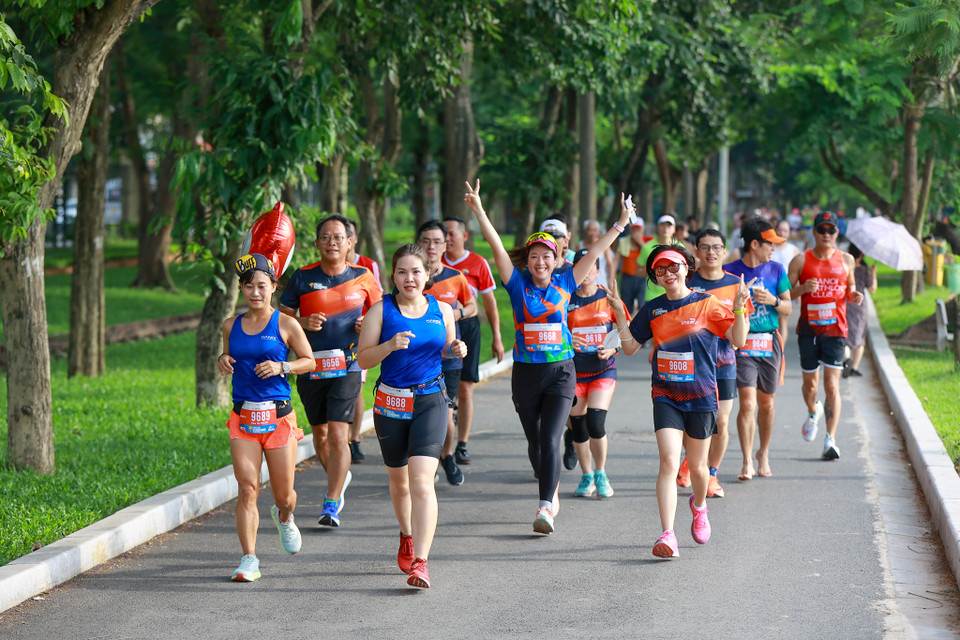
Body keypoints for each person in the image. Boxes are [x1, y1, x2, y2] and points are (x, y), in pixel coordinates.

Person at [463, 179, 631, 534]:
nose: (541, 261)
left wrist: (620, 222)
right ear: (529, 259)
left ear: (557, 260)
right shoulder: (516, 283)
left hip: (561, 373)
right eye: (535, 255)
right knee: (537, 441)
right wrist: (478, 210)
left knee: (553, 437)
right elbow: (495, 245)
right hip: (526, 374)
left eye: (547, 256)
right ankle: (549, 489)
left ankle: (545, 509)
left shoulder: (566, 282)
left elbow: (595, 252)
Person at [611, 245, 749, 558]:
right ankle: (668, 534)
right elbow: (631, 347)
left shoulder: (706, 303)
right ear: (655, 277)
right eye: (660, 270)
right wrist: (621, 315)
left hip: (701, 396)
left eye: (674, 267)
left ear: (687, 267)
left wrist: (739, 310)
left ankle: (699, 507)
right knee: (670, 462)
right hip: (666, 394)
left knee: (699, 469)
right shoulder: (654, 309)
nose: (668, 273)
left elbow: (738, 340)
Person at [357, 244, 467, 589]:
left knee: (421, 481)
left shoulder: (442, 310)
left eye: (416, 271)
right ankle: (406, 534)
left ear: (428, 274)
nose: (409, 278)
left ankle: (421, 561)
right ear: (393, 276)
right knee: (399, 481)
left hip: (430, 399)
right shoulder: (381, 310)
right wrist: (388, 346)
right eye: (402, 272)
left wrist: (456, 348)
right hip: (390, 403)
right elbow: (362, 360)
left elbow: (448, 346)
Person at [218, 253, 316, 582]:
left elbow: (309, 361)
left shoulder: (286, 324)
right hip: (243, 417)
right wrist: (223, 359)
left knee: (283, 495)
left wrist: (282, 366)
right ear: (241, 289)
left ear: (274, 287)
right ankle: (249, 559)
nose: (255, 292)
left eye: (262, 285)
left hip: (278, 419)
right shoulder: (230, 325)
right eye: (248, 286)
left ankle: (285, 517)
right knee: (247, 488)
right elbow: (229, 354)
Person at [279, 214, 381, 527]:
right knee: (320, 437)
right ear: (317, 243)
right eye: (326, 237)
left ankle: (332, 501)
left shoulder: (363, 276)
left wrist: (368, 325)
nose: (332, 243)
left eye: (339, 237)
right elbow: (281, 323)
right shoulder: (302, 277)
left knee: (339, 435)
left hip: (348, 364)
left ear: (351, 242)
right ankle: (340, 475)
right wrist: (302, 324)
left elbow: (383, 315)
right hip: (311, 365)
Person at [683, 230, 754, 498]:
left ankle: (711, 474)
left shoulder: (736, 284)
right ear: (697, 253)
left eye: (716, 248)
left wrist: (740, 337)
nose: (711, 252)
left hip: (724, 362)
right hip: (692, 365)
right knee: (692, 424)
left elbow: (743, 321)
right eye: (705, 248)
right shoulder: (687, 283)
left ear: (724, 252)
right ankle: (692, 462)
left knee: (721, 423)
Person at [787, 211, 863, 460]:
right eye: (822, 230)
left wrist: (854, 295)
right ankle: (813, 411)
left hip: (836, 331)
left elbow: (850, 287)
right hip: (808, 330)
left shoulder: (847, 260)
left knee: (832, 385)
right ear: (814, 232)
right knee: (810, 386)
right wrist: (803, 288)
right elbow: (786, 297)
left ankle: (830, 439)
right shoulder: (800, 260)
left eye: (832, 230)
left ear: (837, 233)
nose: (827, 235)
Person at [724, 217, 793, 480]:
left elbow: (788, 307)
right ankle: (746, 461)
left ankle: (762, 453)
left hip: (769, 342)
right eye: (769, 244)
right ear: (755, 244)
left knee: (767, 404)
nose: (773, 249)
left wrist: (774, 300)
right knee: (748, 404)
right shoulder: (730, 271)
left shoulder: (776, 270)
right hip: (742, 345)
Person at [416, 220, 477, 485]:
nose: (431, 246)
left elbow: (473, 305)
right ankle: (422, 462)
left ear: (445, 244)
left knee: (446, 411)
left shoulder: (456, 276)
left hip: (449, 357)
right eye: (426, 241)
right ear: (419, 243)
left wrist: (458, 312)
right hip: (417, 358)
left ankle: (448, 456)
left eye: (437, 241)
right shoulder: (411, 276)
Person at [566, 248, 630, 499]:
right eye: (580, 266)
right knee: (578, 427)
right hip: (574, 373)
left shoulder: (608, 297)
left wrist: (612, 347)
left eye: (591, 265)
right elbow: (555, 330)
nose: (586, 272)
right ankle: (587, 475)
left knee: (595, 421)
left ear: (597, 270)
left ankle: (601, 472)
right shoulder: (565, 297)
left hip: (603, 371)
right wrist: (568, 344)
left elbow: (627, 331)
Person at [442, 216, 505, 466]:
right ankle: (443, 432)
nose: (446, 239)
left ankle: (462, 444)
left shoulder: (477, 263)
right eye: (442, 235)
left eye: (451, 234)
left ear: (464, 236)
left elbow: (488, 302)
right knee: (443, 389)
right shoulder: (432, 263)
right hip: (438, 328)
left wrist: (497, 338)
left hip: (467, 326)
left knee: (465, 387)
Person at [344, 218, 383, 464]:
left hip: (358, 337)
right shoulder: (323, 268)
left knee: (356, 387)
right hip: (330, 341)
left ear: (353, 239)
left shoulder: (368, 266)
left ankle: (354, 438)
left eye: (345, 235)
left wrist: (366, 322)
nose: (338, 241)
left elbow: (376, 302)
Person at [843, 244, 877, 378]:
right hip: (859, 306)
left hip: (845, 304)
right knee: (859, 337)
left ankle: (846, 359)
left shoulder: (844, 269)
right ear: (861, 255)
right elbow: (872, 289)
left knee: (845, 337)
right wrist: (873, 273)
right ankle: (854, 368)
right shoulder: (864, 270)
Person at [640, 213, 683, 303]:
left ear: (674, 229)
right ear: (657, 228)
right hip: (653, 296)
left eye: (669, 225)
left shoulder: (680, 247)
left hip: (675, 295)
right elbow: (637, 271)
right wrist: (652, 269)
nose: (665, 228)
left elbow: (685, 270)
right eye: (662, 225)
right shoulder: (647, 247)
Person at [769, 219, 800, 343]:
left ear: (789, 233)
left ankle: (780, 348)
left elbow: (797, 272)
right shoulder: (770, 247)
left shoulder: (794, 250)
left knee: (783, 319)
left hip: (786, 288)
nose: (782, 233)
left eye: (785, 230)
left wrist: (797, 290)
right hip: (769, 288)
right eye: (780, 230)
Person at [618, 219, 648, 315]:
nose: (636, 232)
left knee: (642, 305)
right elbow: (615, 261)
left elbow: (651, 256)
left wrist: (641, 243)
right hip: (627, 277)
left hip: (643, 278)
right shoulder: (623, 242)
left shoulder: (648, 242)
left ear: (643, 230)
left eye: (638, 229)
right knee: (627, 307)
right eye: (633, 229)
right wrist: (611, 277)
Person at [579, 219, 617, 288]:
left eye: (595, 230)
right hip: (583, 281)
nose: (592, 233)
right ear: (585, 231)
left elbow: (610, 264)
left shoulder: (604, 245)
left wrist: (611, 280)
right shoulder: (579, 245)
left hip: (601, 281)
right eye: (590, 230)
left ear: (598, 231)